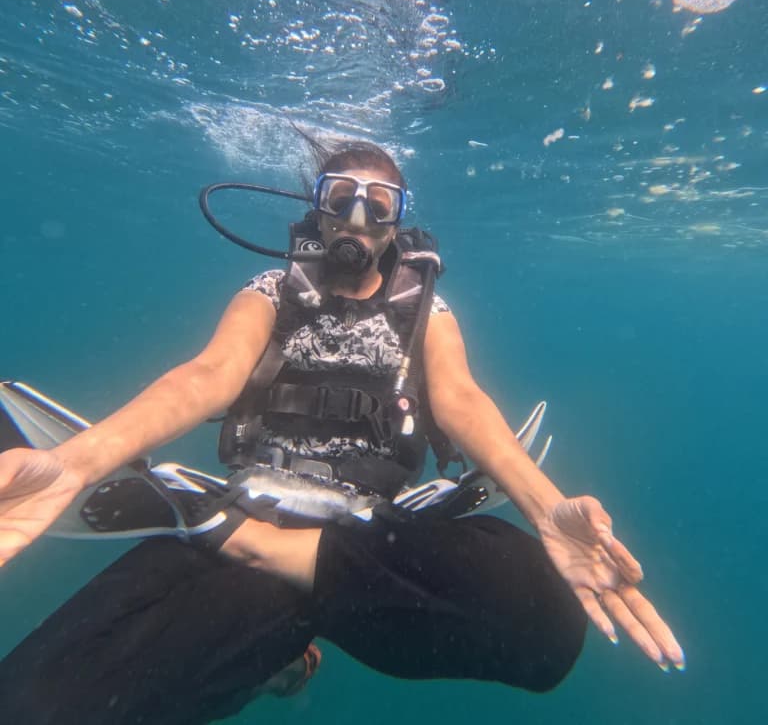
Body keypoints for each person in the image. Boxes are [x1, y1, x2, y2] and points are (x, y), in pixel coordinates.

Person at [0, 135, 684, 725]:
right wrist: (74, 465)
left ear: (398, 224)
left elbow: (463, 403)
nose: (358, 219)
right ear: (318, 211)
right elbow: (205, 376)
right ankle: (272, 653)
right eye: (340, 200)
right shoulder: (269, 291)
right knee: (34, 703)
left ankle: (273, 598)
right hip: (245, 517)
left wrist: (546, 508)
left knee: (549, 622)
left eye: (380, 205)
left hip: (367, 544)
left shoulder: (428, 314)